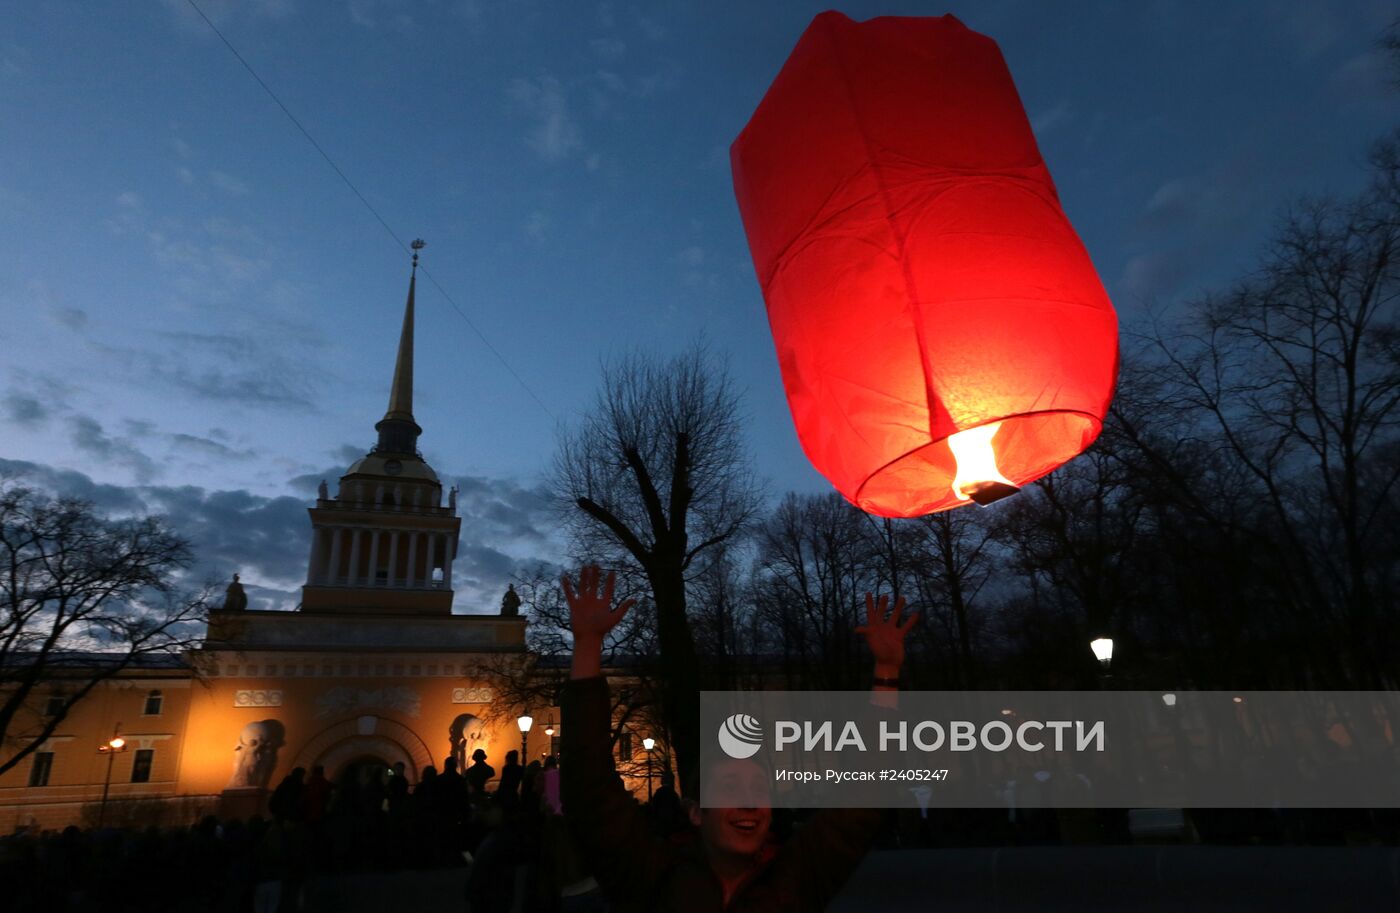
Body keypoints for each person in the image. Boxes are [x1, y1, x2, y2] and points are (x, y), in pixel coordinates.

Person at [560, 565, 913, 912]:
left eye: (759, 789)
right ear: (696, 812)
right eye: (730, 787)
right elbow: (589, 789)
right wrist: (588, 646)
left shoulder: (797, 879)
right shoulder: (653, 877)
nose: (749, 802)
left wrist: (886, 672)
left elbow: (867, 793)